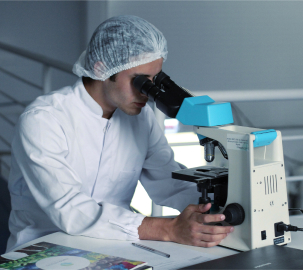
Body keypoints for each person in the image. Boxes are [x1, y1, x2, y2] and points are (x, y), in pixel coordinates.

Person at [6, 15, 233, 252]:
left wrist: (217, 209)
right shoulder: (45, 120)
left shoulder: (140, 118)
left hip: (114, 245)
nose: (148, 93)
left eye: (155, 80)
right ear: (102, 68)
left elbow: (168, 182)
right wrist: (169, 229)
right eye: (141, 82)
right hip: (44, 247)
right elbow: (71, 209)